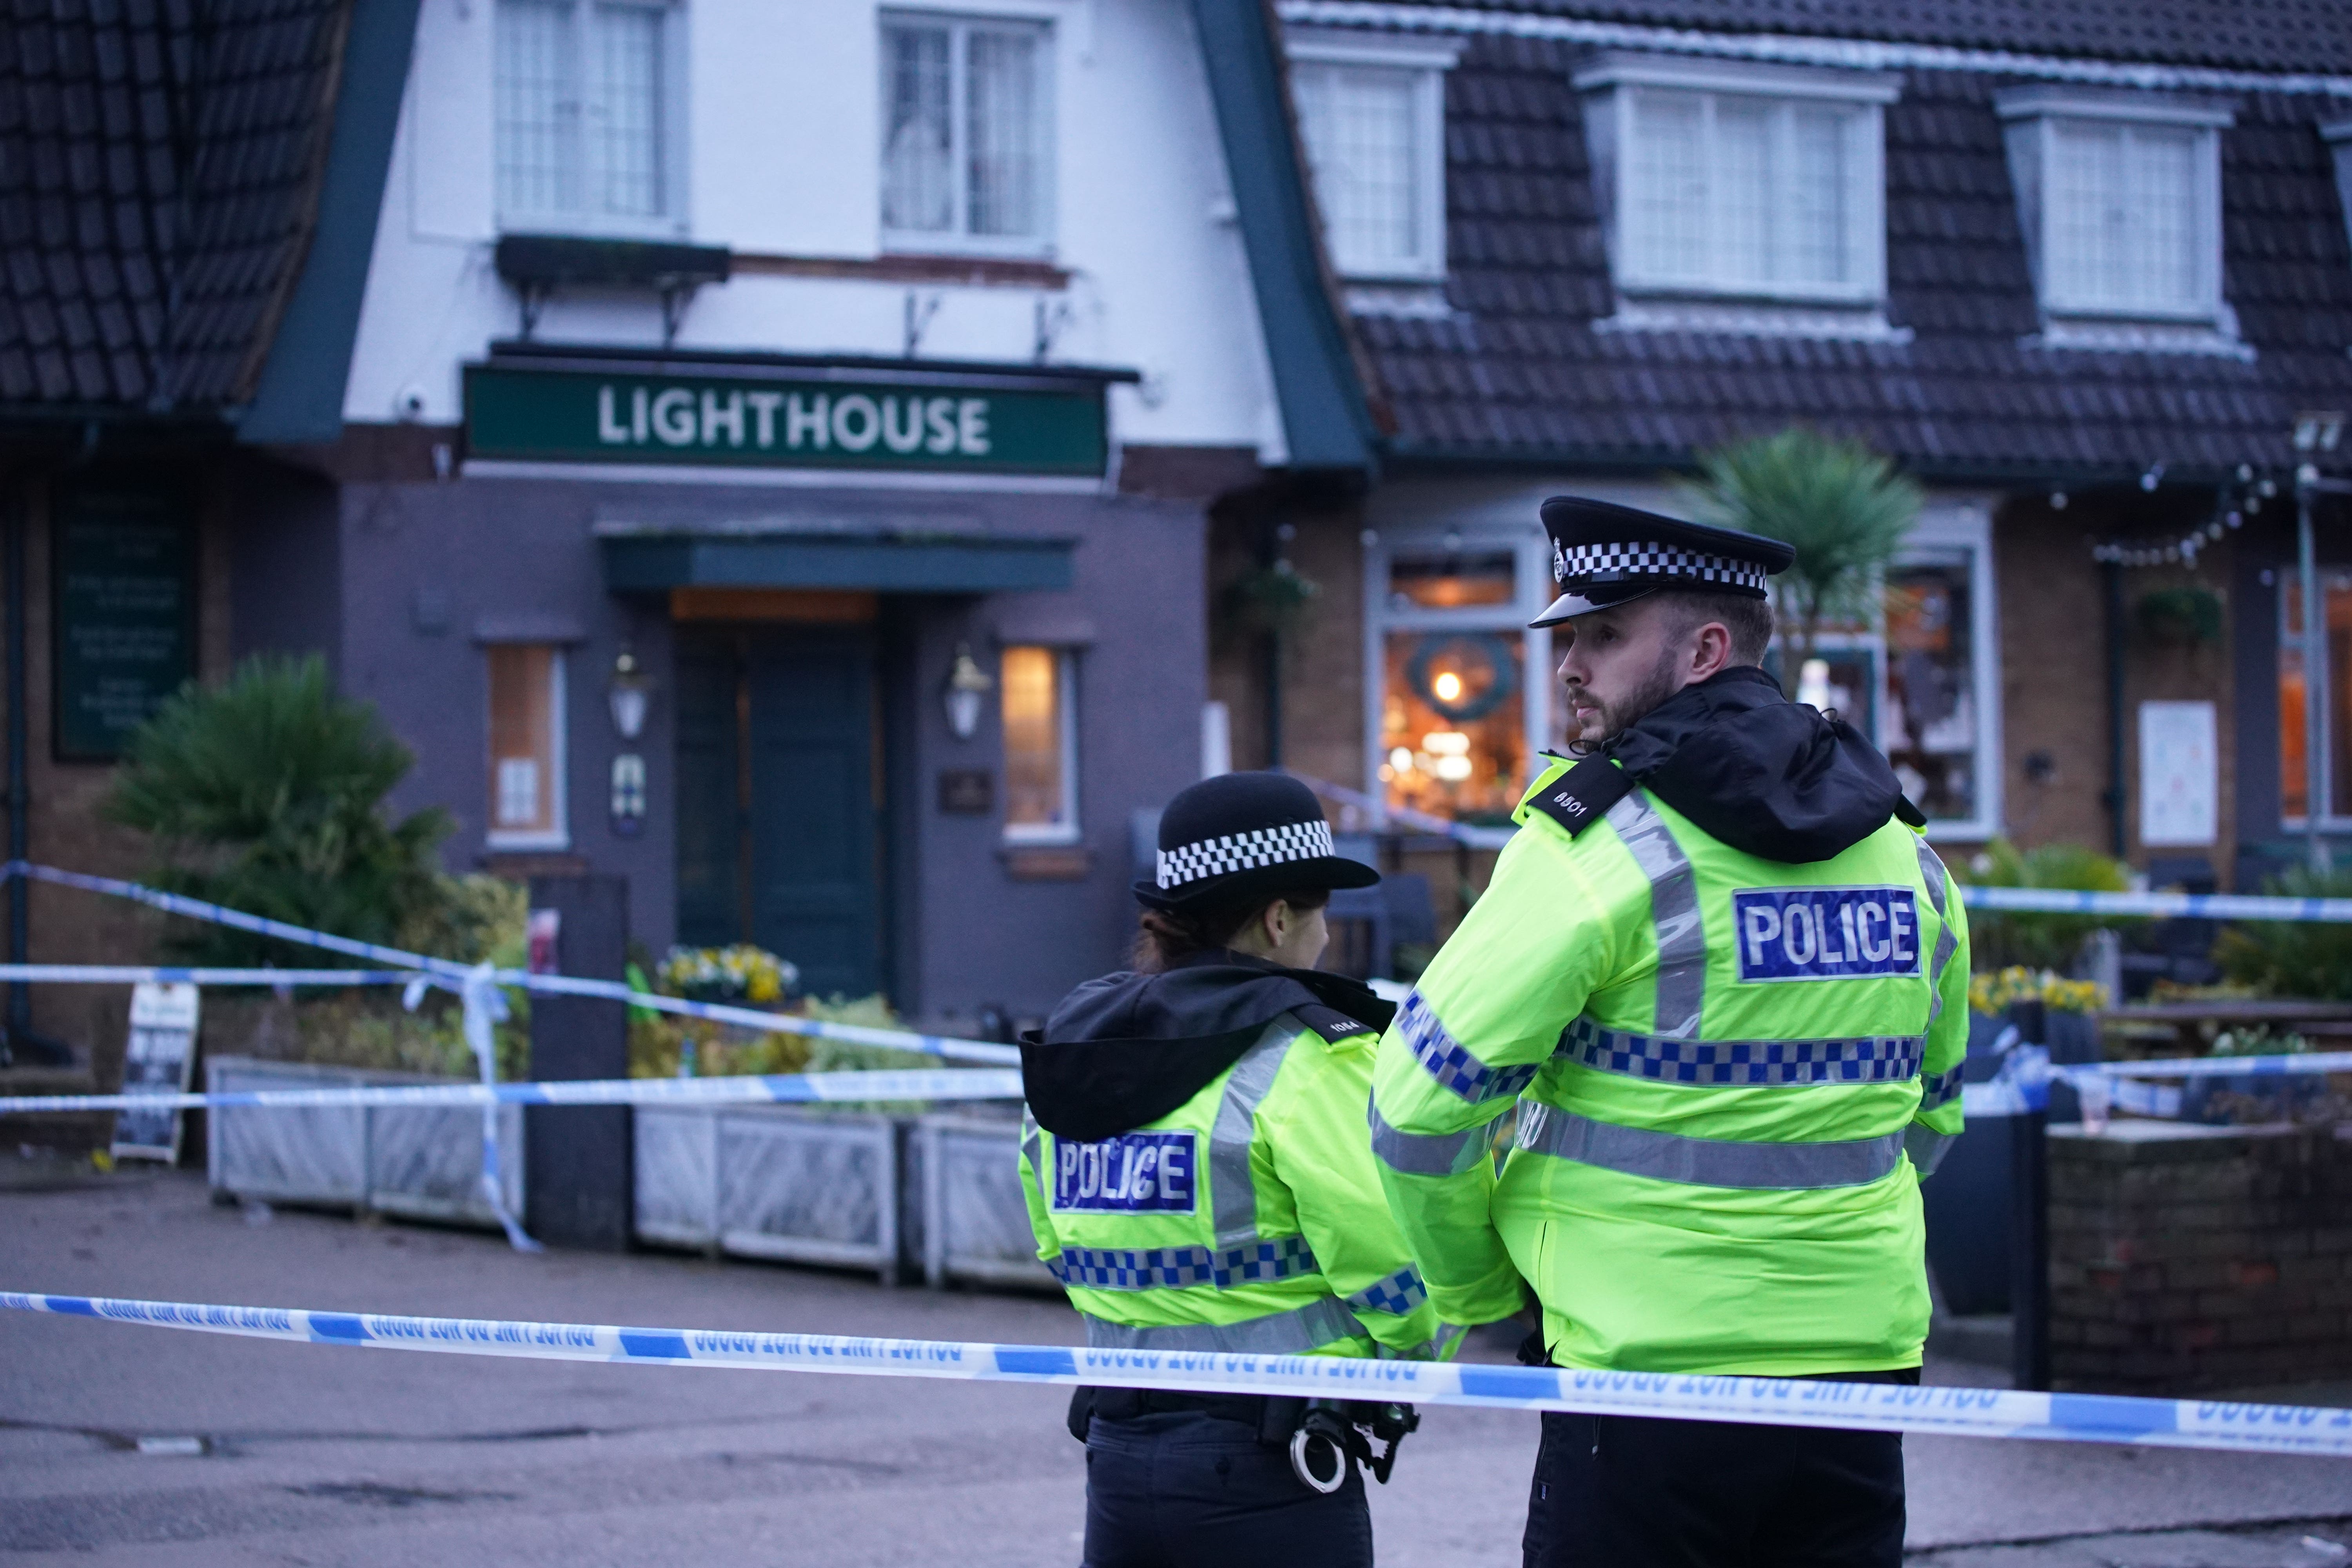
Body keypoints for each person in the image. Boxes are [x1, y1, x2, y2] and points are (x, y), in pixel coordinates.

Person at [1367, 497, 1970, 1568]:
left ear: (1706, 649)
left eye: (1604, 635)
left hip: (1642, 1372)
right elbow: (1931, 1111)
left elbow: (1417, 1107)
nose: (1568, 666)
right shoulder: (1906, 858)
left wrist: (1479, 1291)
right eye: (1570, 637)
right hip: (1858, 1363)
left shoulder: (1597, 850)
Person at [1019, 771, 1505, 1568]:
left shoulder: (1079, 1050)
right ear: (1279, 918)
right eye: (1320, 913)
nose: (1324, 937)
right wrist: (1414, 1360)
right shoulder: (1308, 1058)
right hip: (1268, 1466)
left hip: (1117, 1450)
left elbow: (1053, 1239)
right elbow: (1395, 1261)